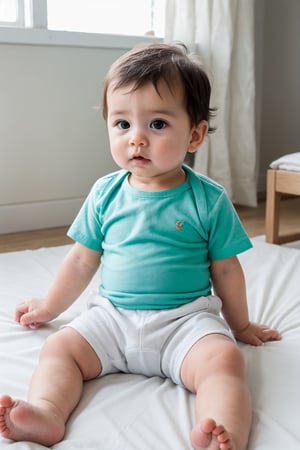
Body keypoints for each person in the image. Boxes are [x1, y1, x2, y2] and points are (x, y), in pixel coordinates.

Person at [0, 43, 281, 450]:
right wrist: (49, 307)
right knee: (60, 348)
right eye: (122, 125)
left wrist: (239, 326)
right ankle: (46, 412)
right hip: (112, 319)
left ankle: (222, 431)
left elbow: (225, 270)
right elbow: (81, 260)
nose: (137, 140)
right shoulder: (105, 194)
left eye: (158, 125)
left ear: (195, 134)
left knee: (224, 362)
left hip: (184, 323)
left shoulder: (208, 199)